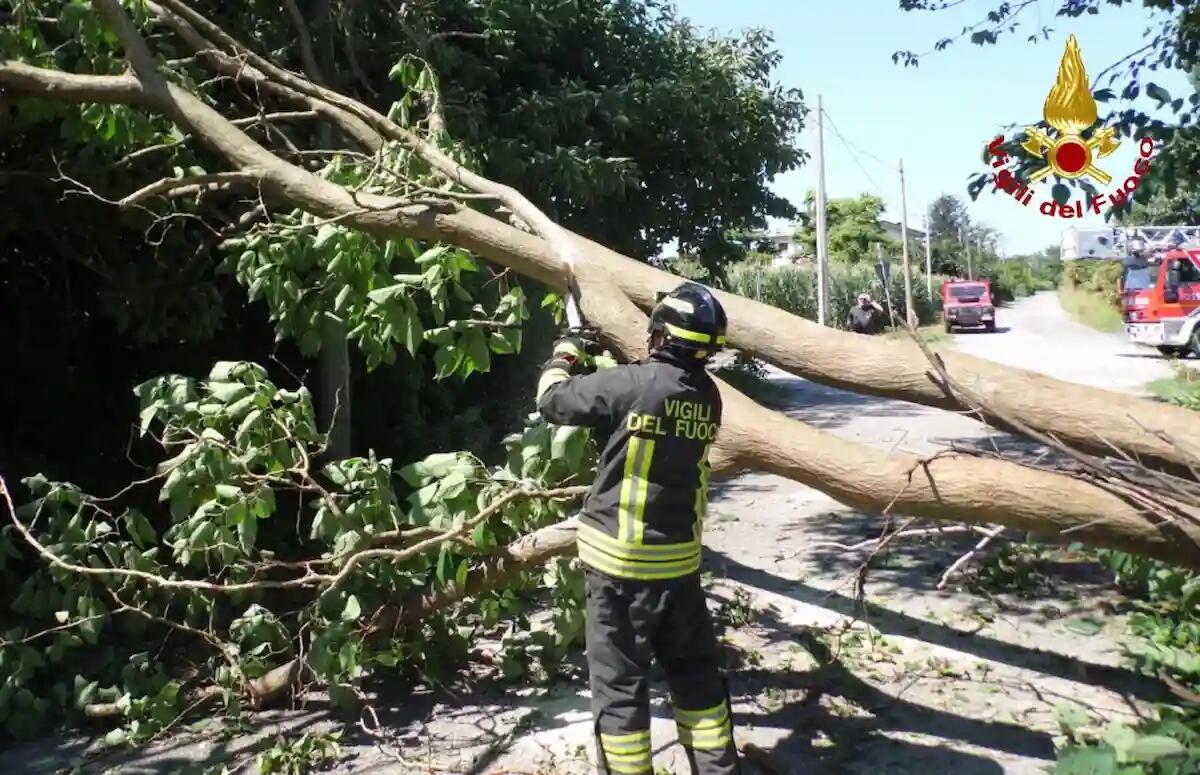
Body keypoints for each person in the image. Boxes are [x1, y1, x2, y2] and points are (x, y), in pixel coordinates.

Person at [536, 282, 740, 775]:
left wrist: (568, 346)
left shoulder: (627, 385)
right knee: (696, 680)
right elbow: (656, 392)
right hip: (680, 569)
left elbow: (552, 401)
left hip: (619, 571)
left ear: (660, 336)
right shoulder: (707, 397)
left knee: (620, 687)